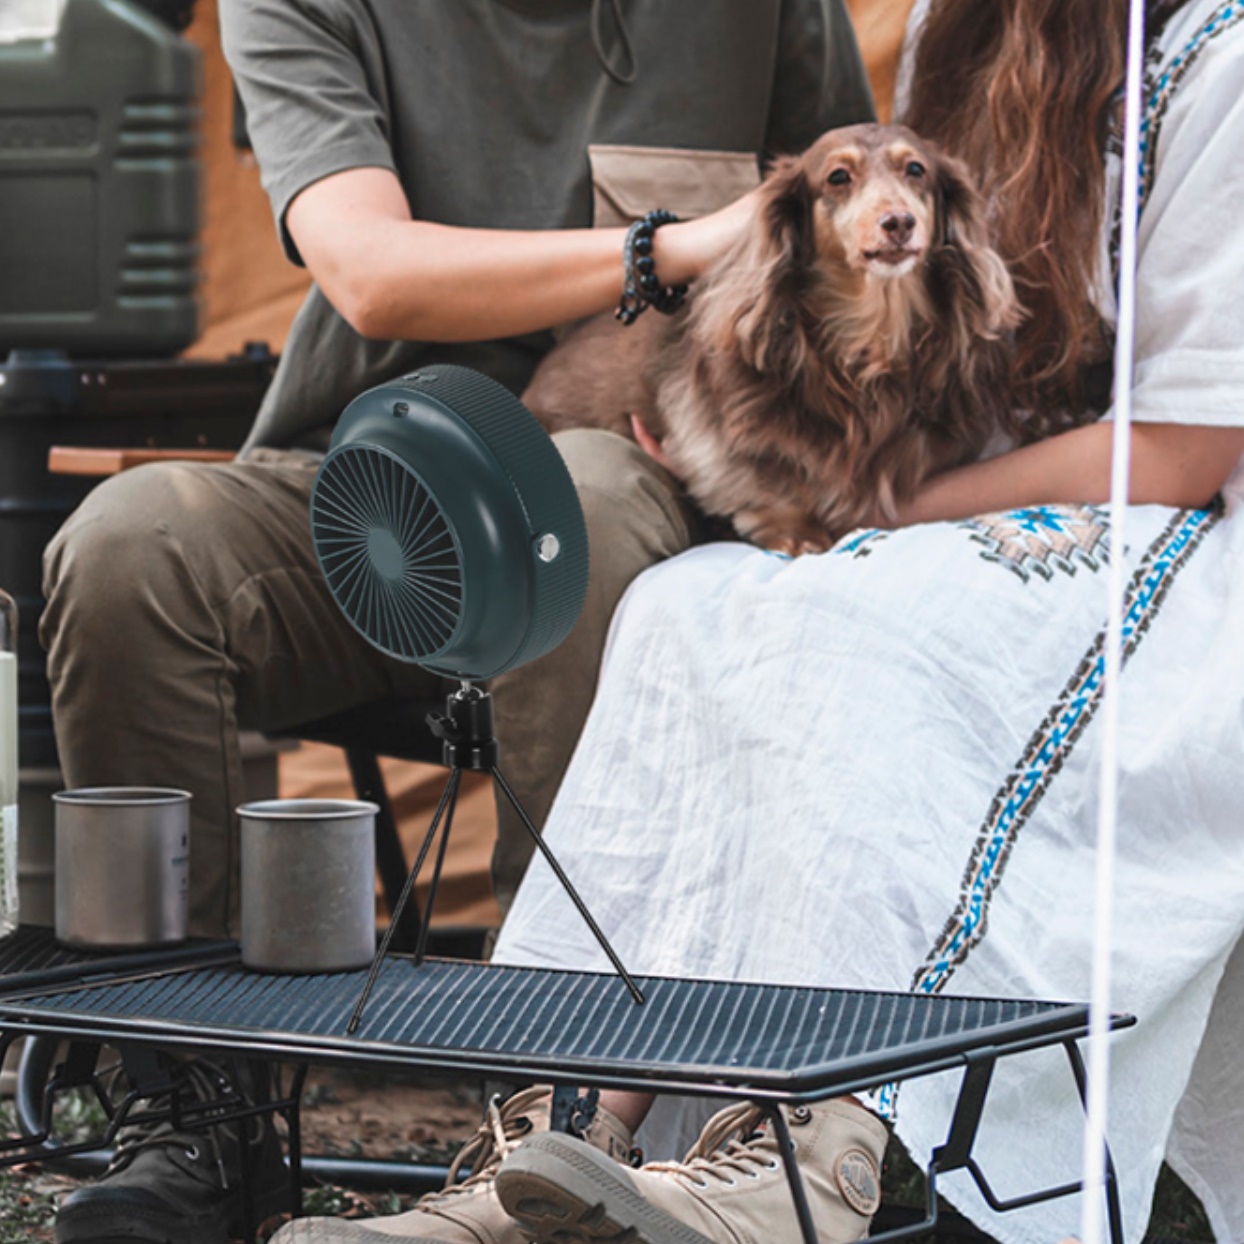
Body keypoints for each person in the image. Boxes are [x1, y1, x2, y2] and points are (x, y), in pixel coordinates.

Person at [271, 0, 1244, 1241]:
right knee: (684, 607)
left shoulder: (1213, 60)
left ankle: (800, 1153)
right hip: (964, 495)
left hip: (1176, 525)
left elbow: (1181, 445)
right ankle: (559, 1135)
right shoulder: (965, 31)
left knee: (849, 632)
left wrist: (878, 515)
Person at [40, 3, 873, 1243]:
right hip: (377, 486)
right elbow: (370, 268)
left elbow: (865, 234)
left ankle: (555, 1120)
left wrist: (761, 416)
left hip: (633, 485)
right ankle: (201, 1111)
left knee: (579, 502)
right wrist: (679, 248)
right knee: (130, 544)